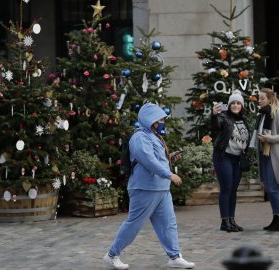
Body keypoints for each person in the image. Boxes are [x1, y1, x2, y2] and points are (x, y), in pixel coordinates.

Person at [103, 103, 195, 269]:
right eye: (159, 119)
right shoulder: (140, 137)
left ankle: (174, 257)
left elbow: (156, 159)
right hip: (144, 189)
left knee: (169, 224)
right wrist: (169, 174)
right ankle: (112, 255)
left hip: (161, 189)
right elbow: (148, 160)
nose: (162, 122)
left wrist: (169, 159)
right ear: (150, 119)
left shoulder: (153, 136)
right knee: (134, 224)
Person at [249, 88, 279, 231]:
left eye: (262, 98)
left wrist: (269, 138)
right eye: (259, 98)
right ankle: (277, 218)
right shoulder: (262, 115)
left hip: (275, 156)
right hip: (264, 154)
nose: (259, 100)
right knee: (269, 188)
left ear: (269, 99)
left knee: (273, 189)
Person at [210, 90, 250, 232]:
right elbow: (216, 125)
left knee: (233, 190)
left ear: (242, 105)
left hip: (237, 159)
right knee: (226, 188)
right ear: (229, 104)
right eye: (233, 103)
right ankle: (224, 221)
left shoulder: (243, 119)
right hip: (223, 156)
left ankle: (231, 220)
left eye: (238, 103)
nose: (235, 105)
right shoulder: (223, 117)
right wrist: (214, 115)